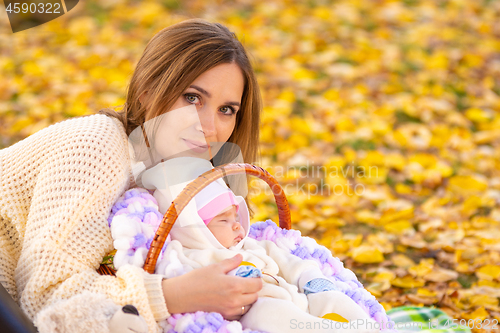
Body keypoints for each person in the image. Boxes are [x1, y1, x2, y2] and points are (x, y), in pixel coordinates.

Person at [0, 18, 263, 332]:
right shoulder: (97, 149)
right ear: (147, 92)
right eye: (192, 98)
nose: (208, 127)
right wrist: (174, 295)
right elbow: (43, 298)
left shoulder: (181, 175)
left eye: (226, 110)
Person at [110, 156, 382, 333]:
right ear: (194, 229)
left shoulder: (255, 246)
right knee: (268, 313)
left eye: (235, 216)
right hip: (253, 310)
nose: (237, 225)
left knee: (333, 299)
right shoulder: (191, 255)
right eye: (223, 220)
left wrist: (311, 280)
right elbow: (170, 271)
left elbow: (293, 261)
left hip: (301, 299)